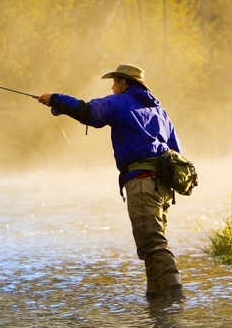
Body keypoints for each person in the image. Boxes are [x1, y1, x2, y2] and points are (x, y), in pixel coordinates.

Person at [37, 64, 185, 299]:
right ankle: (157, 306)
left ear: (125, 83)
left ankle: (176, 300)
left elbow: (89, 113)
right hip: (164, 188)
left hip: (142, 182)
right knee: (150, 244)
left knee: (153, 243)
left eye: (115, 82)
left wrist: (55, 99)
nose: (112, 87)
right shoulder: (160, 112)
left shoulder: (121, 102)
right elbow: (176, 150)